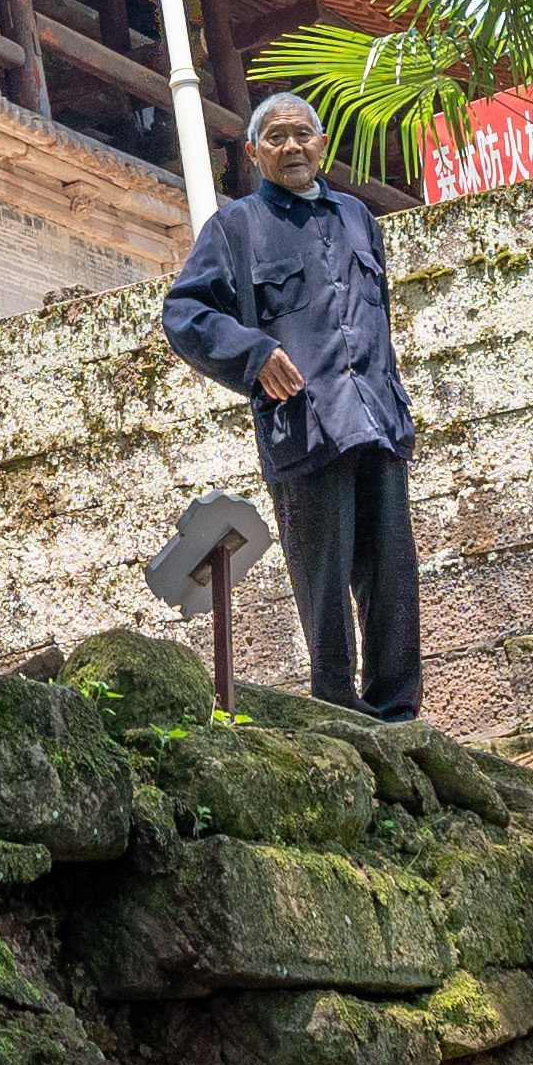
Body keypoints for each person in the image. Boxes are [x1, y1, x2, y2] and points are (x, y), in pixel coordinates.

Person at [159, 94, 421, 720]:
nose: (291, 148)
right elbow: (183, 314)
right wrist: (252, 355)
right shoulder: (235, 228)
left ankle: (399, 714)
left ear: (322, 143)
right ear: (253, 153)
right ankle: (338, 711)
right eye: (275, 138)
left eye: (302, 135)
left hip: (377, 423)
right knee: (324, 585)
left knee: (393, 580)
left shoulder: (359, 218)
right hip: (306, 430)